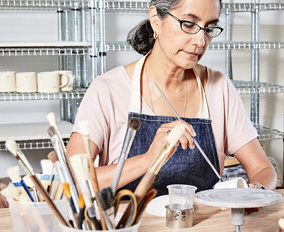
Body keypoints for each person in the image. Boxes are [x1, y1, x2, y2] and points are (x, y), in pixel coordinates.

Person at [67, 0, 277, 196]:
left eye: (209, 28)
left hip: (206, 228)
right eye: (189, 24)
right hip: (131, 230)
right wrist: (148, 159)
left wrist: (257, 191)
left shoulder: (219, 87)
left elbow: (262, 167)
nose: (200, 40)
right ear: (156, 20)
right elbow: (74, 180)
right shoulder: (108, 90)